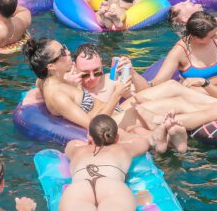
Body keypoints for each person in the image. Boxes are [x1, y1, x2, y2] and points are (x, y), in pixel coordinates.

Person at [23, 38, 187, 153]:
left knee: (171, 89)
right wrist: (117, 94)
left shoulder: (47, 82)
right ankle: (208, 111)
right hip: (113, 119)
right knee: (176, 101)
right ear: (51, 66)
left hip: (116, 112)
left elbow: (39, 81)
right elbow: (94, 124)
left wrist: (70, 83)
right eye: (62, 52)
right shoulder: (57, 94)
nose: (67, 52)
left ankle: (164, 138)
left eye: (64, 47)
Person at [146, 11, 217, 86]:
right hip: (197, 100)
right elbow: (159, 81)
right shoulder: (180, 51)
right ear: (196, 37)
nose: (216, 37)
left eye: (216, 32)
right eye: (211, 36)